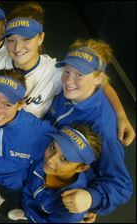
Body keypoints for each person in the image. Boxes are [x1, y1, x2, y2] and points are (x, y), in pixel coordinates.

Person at [0, 1, 135, 146]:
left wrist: (121, 115)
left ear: (40, 38)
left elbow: (101, 84)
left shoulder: (55, 71)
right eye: (11, 40)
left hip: (26, 141)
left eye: (26, 39)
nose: (18, 48)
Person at [44, 39, 133, 216]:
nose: (68, 80)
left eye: (79, 74)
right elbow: (105, 85)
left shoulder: (102, 128)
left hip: (63, 178)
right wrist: (122, 114)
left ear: (98, 78)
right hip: (48, 154)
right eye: (67, 71)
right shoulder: (74, 90)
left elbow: (122, 185)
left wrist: (91, 198)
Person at [0, 69, 56, 218]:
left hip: (15, 183)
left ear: (20, 104)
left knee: (8, 198)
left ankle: (0, 198)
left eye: (7, 105)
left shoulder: (40, 131)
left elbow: (70, 154)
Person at [9, 125, 102, 223]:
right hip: (29, 201)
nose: (50, 159)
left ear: (81, 168)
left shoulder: (71, 208)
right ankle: (27, 213)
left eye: (64, 159)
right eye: (53, 147)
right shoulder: (42, 159)